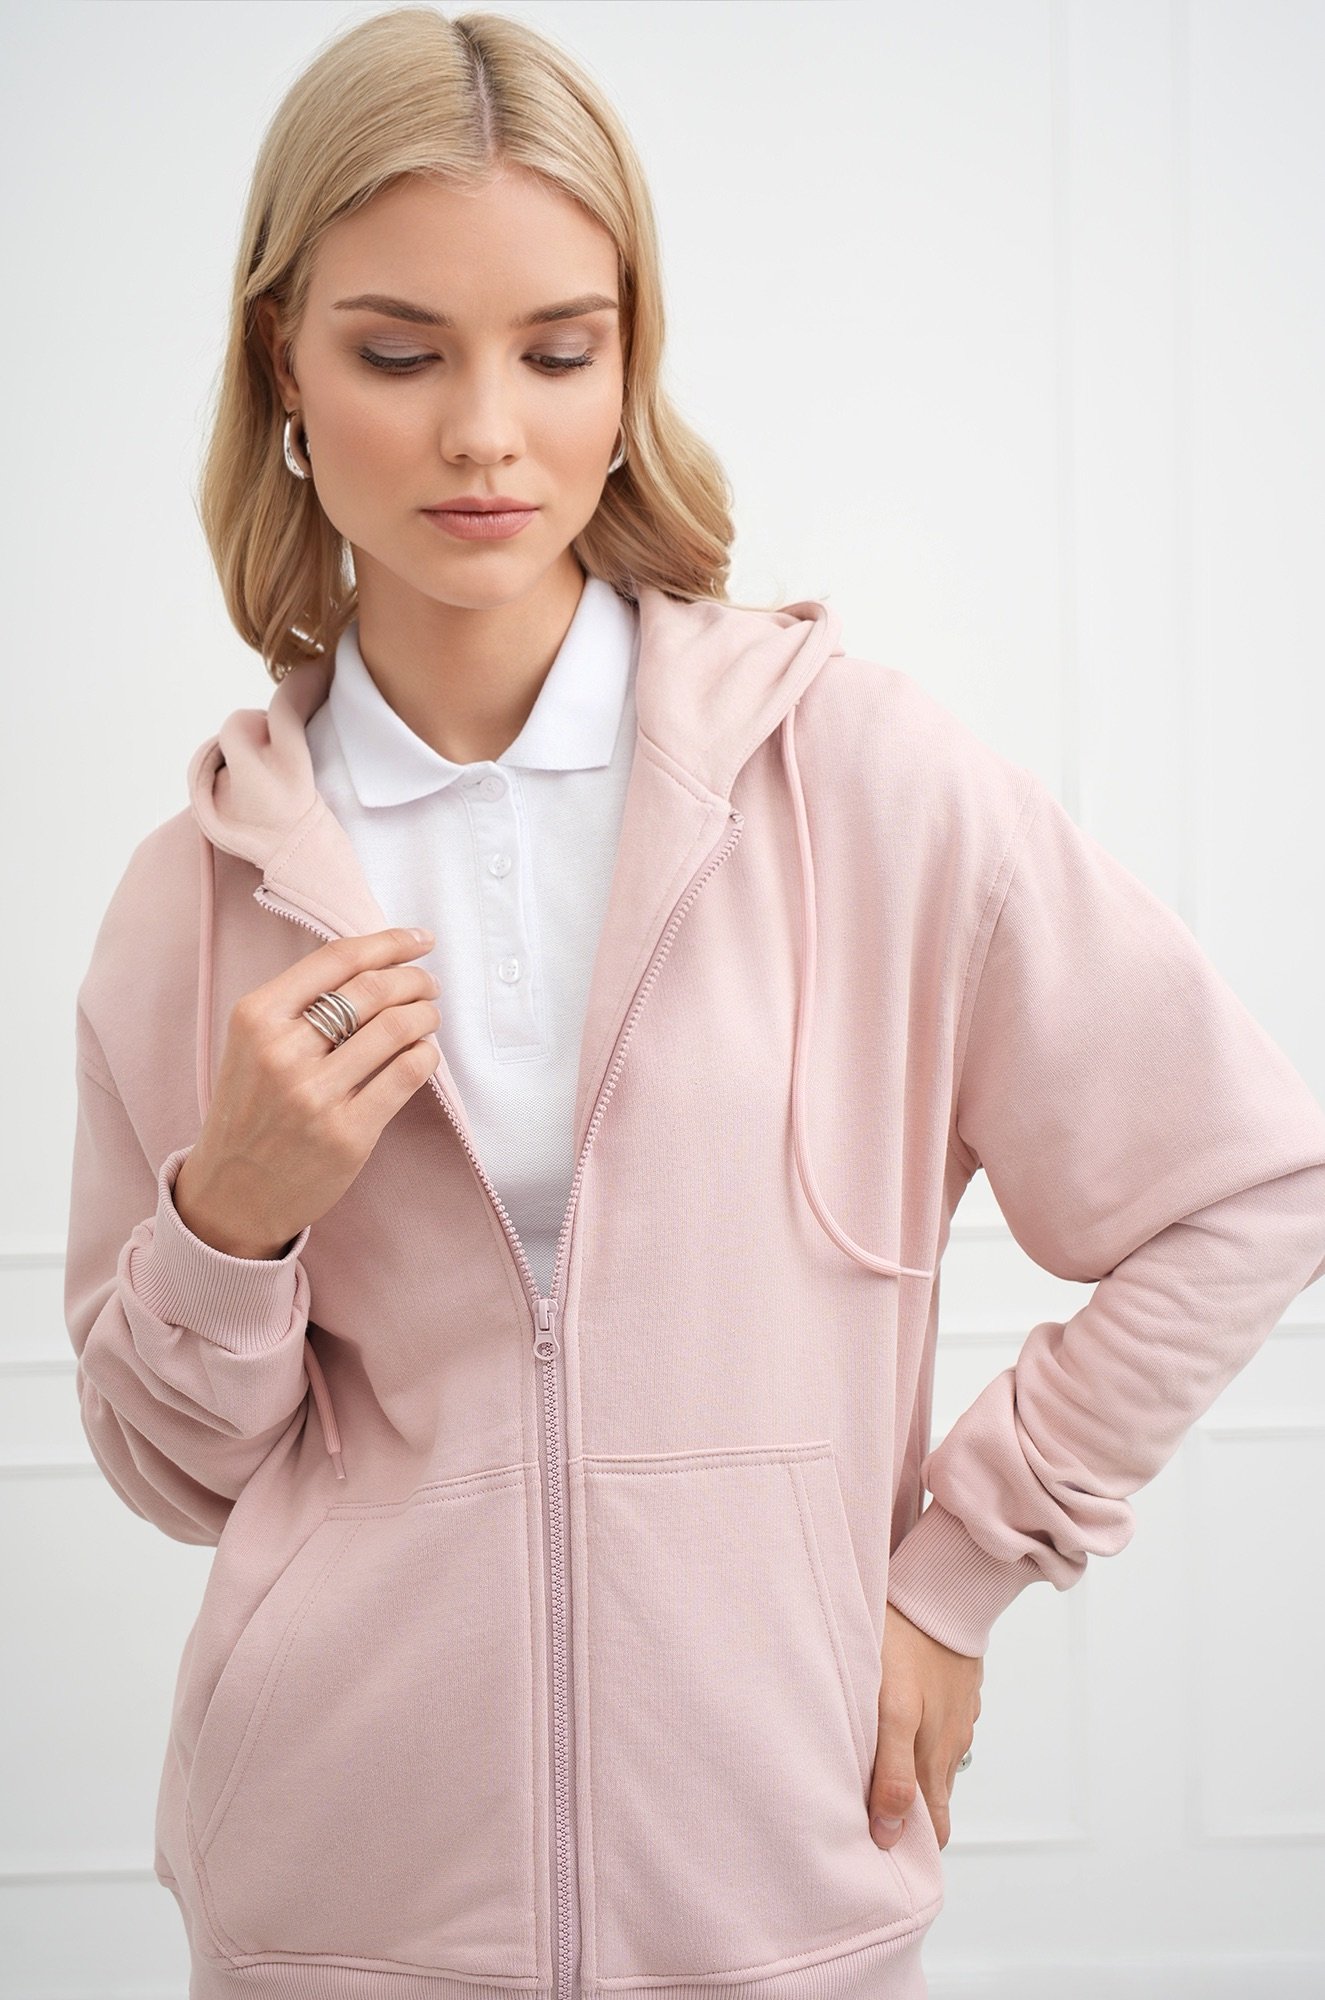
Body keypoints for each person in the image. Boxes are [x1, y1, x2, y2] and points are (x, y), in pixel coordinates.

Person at [62, 9, 1325, 2000]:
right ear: (283, 363)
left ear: (631, 363)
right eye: (401, 353)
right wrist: (230, 1219)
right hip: (329, 1908)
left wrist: (959, 1569)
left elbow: (1243, 1182)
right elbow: (175, 1474)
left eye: (558, 350)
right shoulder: (194, 899)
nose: (488, 432)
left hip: (771, 1895)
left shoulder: (862, 784)